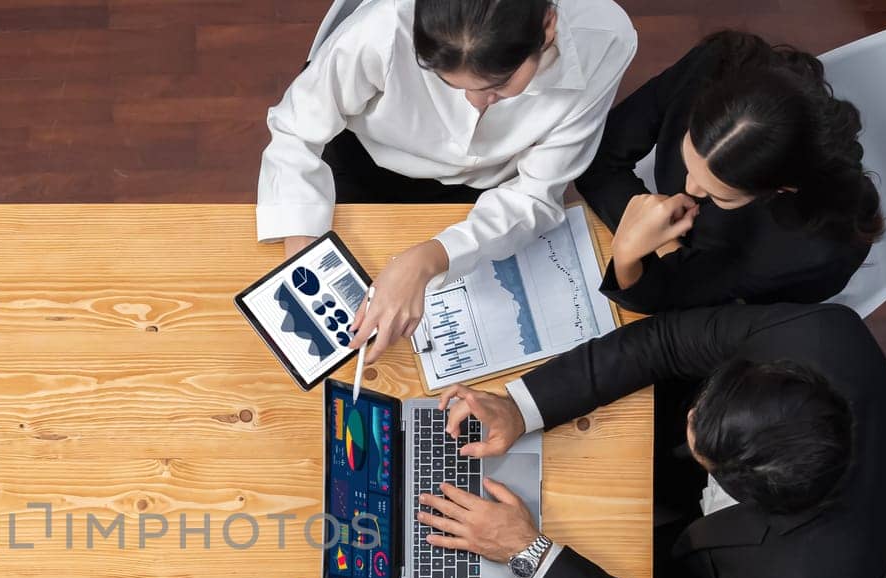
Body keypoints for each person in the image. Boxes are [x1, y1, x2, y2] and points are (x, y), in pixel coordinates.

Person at [402, 302, 886, 578]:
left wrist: (525, 550)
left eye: (701, 447)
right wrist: (522, 406)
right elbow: (663, 341)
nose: (690, 418)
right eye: (702, 409)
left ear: (743, 494)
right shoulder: (824, 333)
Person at [257, 0, 636, 362]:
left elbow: (535, 196)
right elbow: (297, 129)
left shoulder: (606, 39)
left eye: (496, 88)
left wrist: (430, 258)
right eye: (451, 84)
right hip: (362, 161)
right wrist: (303, 245)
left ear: (548, 27)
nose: (473, 102)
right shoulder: (384, 24)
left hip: (485, 193)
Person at [575, 30, 884, 314]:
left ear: (782, 188)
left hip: (756, 308)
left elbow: (670, 301)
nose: (689, 188)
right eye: (689, 153)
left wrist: (630, 250)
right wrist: (666, 243)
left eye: (716, 193)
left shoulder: (803, 246)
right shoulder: (720, 62)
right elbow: (596, 159)